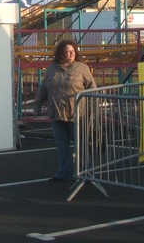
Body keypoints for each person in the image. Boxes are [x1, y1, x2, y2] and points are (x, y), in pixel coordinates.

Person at [34, 39, 96, 183]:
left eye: (73, 51)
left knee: (81, 144)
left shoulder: (81, 68)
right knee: (62, 144)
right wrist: (37, 104)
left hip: (78, 113)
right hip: (57, 112)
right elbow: (44, 87)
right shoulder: (52, 68)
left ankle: (85, 173)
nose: (70, 54)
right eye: (67, 52)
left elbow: (92, 87)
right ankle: (64, 173)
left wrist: (93, 111)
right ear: (60, 53)